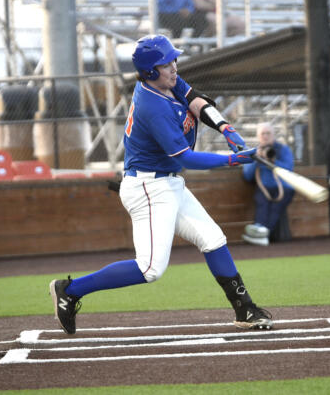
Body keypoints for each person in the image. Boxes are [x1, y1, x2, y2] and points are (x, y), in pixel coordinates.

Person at [49, 34, 273, 335]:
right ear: (151, 71)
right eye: (166, 64)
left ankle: (244, 309)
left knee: (213, 238)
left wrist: (225, 127)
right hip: (149, 188)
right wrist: (232, 160)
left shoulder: (166, 83)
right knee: (150, 269)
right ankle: (71, 289)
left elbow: (196, 100)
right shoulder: (152, 105)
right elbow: (186, 159)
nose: (174, 67)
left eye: (173, 61)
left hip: (167, 184)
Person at [241, 122, 295, 246]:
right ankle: (260, 232)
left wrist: (273, 161)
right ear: (258, 137)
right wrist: (257, 159)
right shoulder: (253, 152)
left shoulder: (283, 149)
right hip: (264, 188)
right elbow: (247, 175)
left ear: (273, 135)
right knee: (261, 203)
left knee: (275, 208)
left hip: (284, 188)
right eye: (262, 134)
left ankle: (261, 233)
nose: (265, 136)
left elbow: (289, 169)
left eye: (268, 133)